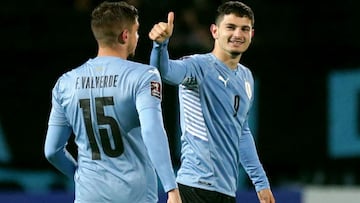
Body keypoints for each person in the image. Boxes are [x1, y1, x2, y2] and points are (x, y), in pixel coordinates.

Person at [44, 1, 181, 203]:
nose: (137, 36)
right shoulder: (143, 75)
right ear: (125, 35)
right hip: (135, 195)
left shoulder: (66, 83)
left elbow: (52, 151)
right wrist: (171, 187)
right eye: (136, 31)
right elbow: (152, 130)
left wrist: (78, 175)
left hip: (88, 196)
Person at [148, 1, 275, 203]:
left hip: (226, 191)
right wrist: (160, 46)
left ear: (252, 34)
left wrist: (261, 183)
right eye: (231, 27)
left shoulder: (246, 77)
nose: (238, 34)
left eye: (245, 29)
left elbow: (241, 131)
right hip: (194, 187)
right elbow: (164, 72)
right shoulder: (198, 66)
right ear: (215, 31)